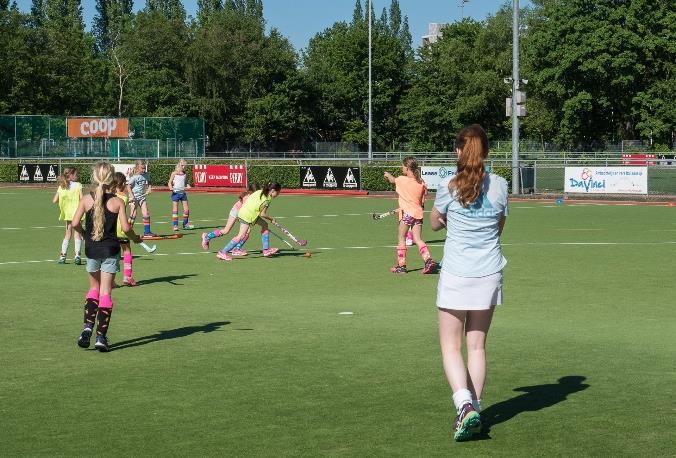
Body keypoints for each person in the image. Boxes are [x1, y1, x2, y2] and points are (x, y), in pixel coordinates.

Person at [429, 124, 508, 441]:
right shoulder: (501, 185)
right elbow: (498, 228)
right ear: (486, 151)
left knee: (451, 346)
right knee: (476, 345)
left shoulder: (449, 185)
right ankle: (474, 408)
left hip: (457, 273)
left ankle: (463, 406)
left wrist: (447, 218)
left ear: (460, 151)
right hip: (489, 273)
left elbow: (433, 223)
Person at [72, 161, 141, 352]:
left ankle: (87, 328)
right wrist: (135, 238)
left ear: (95, 177)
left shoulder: (87, 199)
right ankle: (101, 337)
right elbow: (126, 228)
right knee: (106, 292)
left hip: (92, 250)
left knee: (93, 288)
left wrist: (86, 235)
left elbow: (75, 222)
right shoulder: (117, 201)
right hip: (110, 250)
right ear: (111, 179)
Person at [384, 157, 438, 274]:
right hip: (418, 214)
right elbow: (423, 197)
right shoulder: (421, 182)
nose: (401, 168)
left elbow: (393, 180)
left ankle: (401, 266)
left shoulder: (402, 179)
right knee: (418, 239)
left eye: (403, 166)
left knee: (401, 237)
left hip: (407, 214)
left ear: (407, 168)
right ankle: (428, 260)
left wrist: (387, 175)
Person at [216, 182, 281, 261]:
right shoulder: (266, 200)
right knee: (240, 236)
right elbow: (263, 214)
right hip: (247, 216)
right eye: (278, 192)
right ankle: (223, 252)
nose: (278, 195)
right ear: (273, 191)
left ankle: (266, 250)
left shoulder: (259, 191)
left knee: (264, 224)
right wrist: (272, 219)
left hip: (246, 213)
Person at [201, 183, 260, 256]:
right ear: (251, 192)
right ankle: (207, 237)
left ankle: (237, 249)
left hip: (242, 213)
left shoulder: (254, 197)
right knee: (226, 231)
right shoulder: (247, 197)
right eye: (255, 192)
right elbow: (245, 209)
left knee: (246, 232)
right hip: (236, 212)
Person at [52, 167, 83, 264]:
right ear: (71, 175)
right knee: (77, 233)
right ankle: (77, 256)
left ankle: (63, 256)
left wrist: (65, 202)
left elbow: (54, 200)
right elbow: (82, 199)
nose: (77, 176)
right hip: (78, 213)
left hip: (68, 214)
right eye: (76, 175)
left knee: (67, 234)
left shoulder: (62, 186)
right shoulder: (78, 185)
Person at [113, 172, 137, 286]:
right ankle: (127, 276)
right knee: (127, 250)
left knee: (112, 254)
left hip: (110, 228)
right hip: (121, 228)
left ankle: (110, 280)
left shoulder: (110, 195)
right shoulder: (124, 196)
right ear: (122, 183)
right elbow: (132, 208)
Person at [127, 160, 155, 238]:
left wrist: (149, 188)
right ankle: (128, 231)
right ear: (137, 168)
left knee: (146, 213)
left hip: (142, 197)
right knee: (133, 214)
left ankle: (147, 232)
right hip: (134, 198)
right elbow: (128, 187)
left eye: (144, 168)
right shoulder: (134, 177)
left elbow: (149, 182)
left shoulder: (146, 175)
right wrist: (132, 196)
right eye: (142, 168)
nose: (144, 170)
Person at [168, 159, 194, 231]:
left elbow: (185, 183)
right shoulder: (174, 173)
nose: (183, 167)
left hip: (183, 193)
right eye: (182, 165)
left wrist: (188, 186)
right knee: (175, 209)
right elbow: (169, 182)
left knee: (186, 210)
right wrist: (170, 187)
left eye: (185, 166)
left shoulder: (185, 173)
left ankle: (185, 224)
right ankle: (175, 225)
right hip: (176, 193)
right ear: (179, 165)